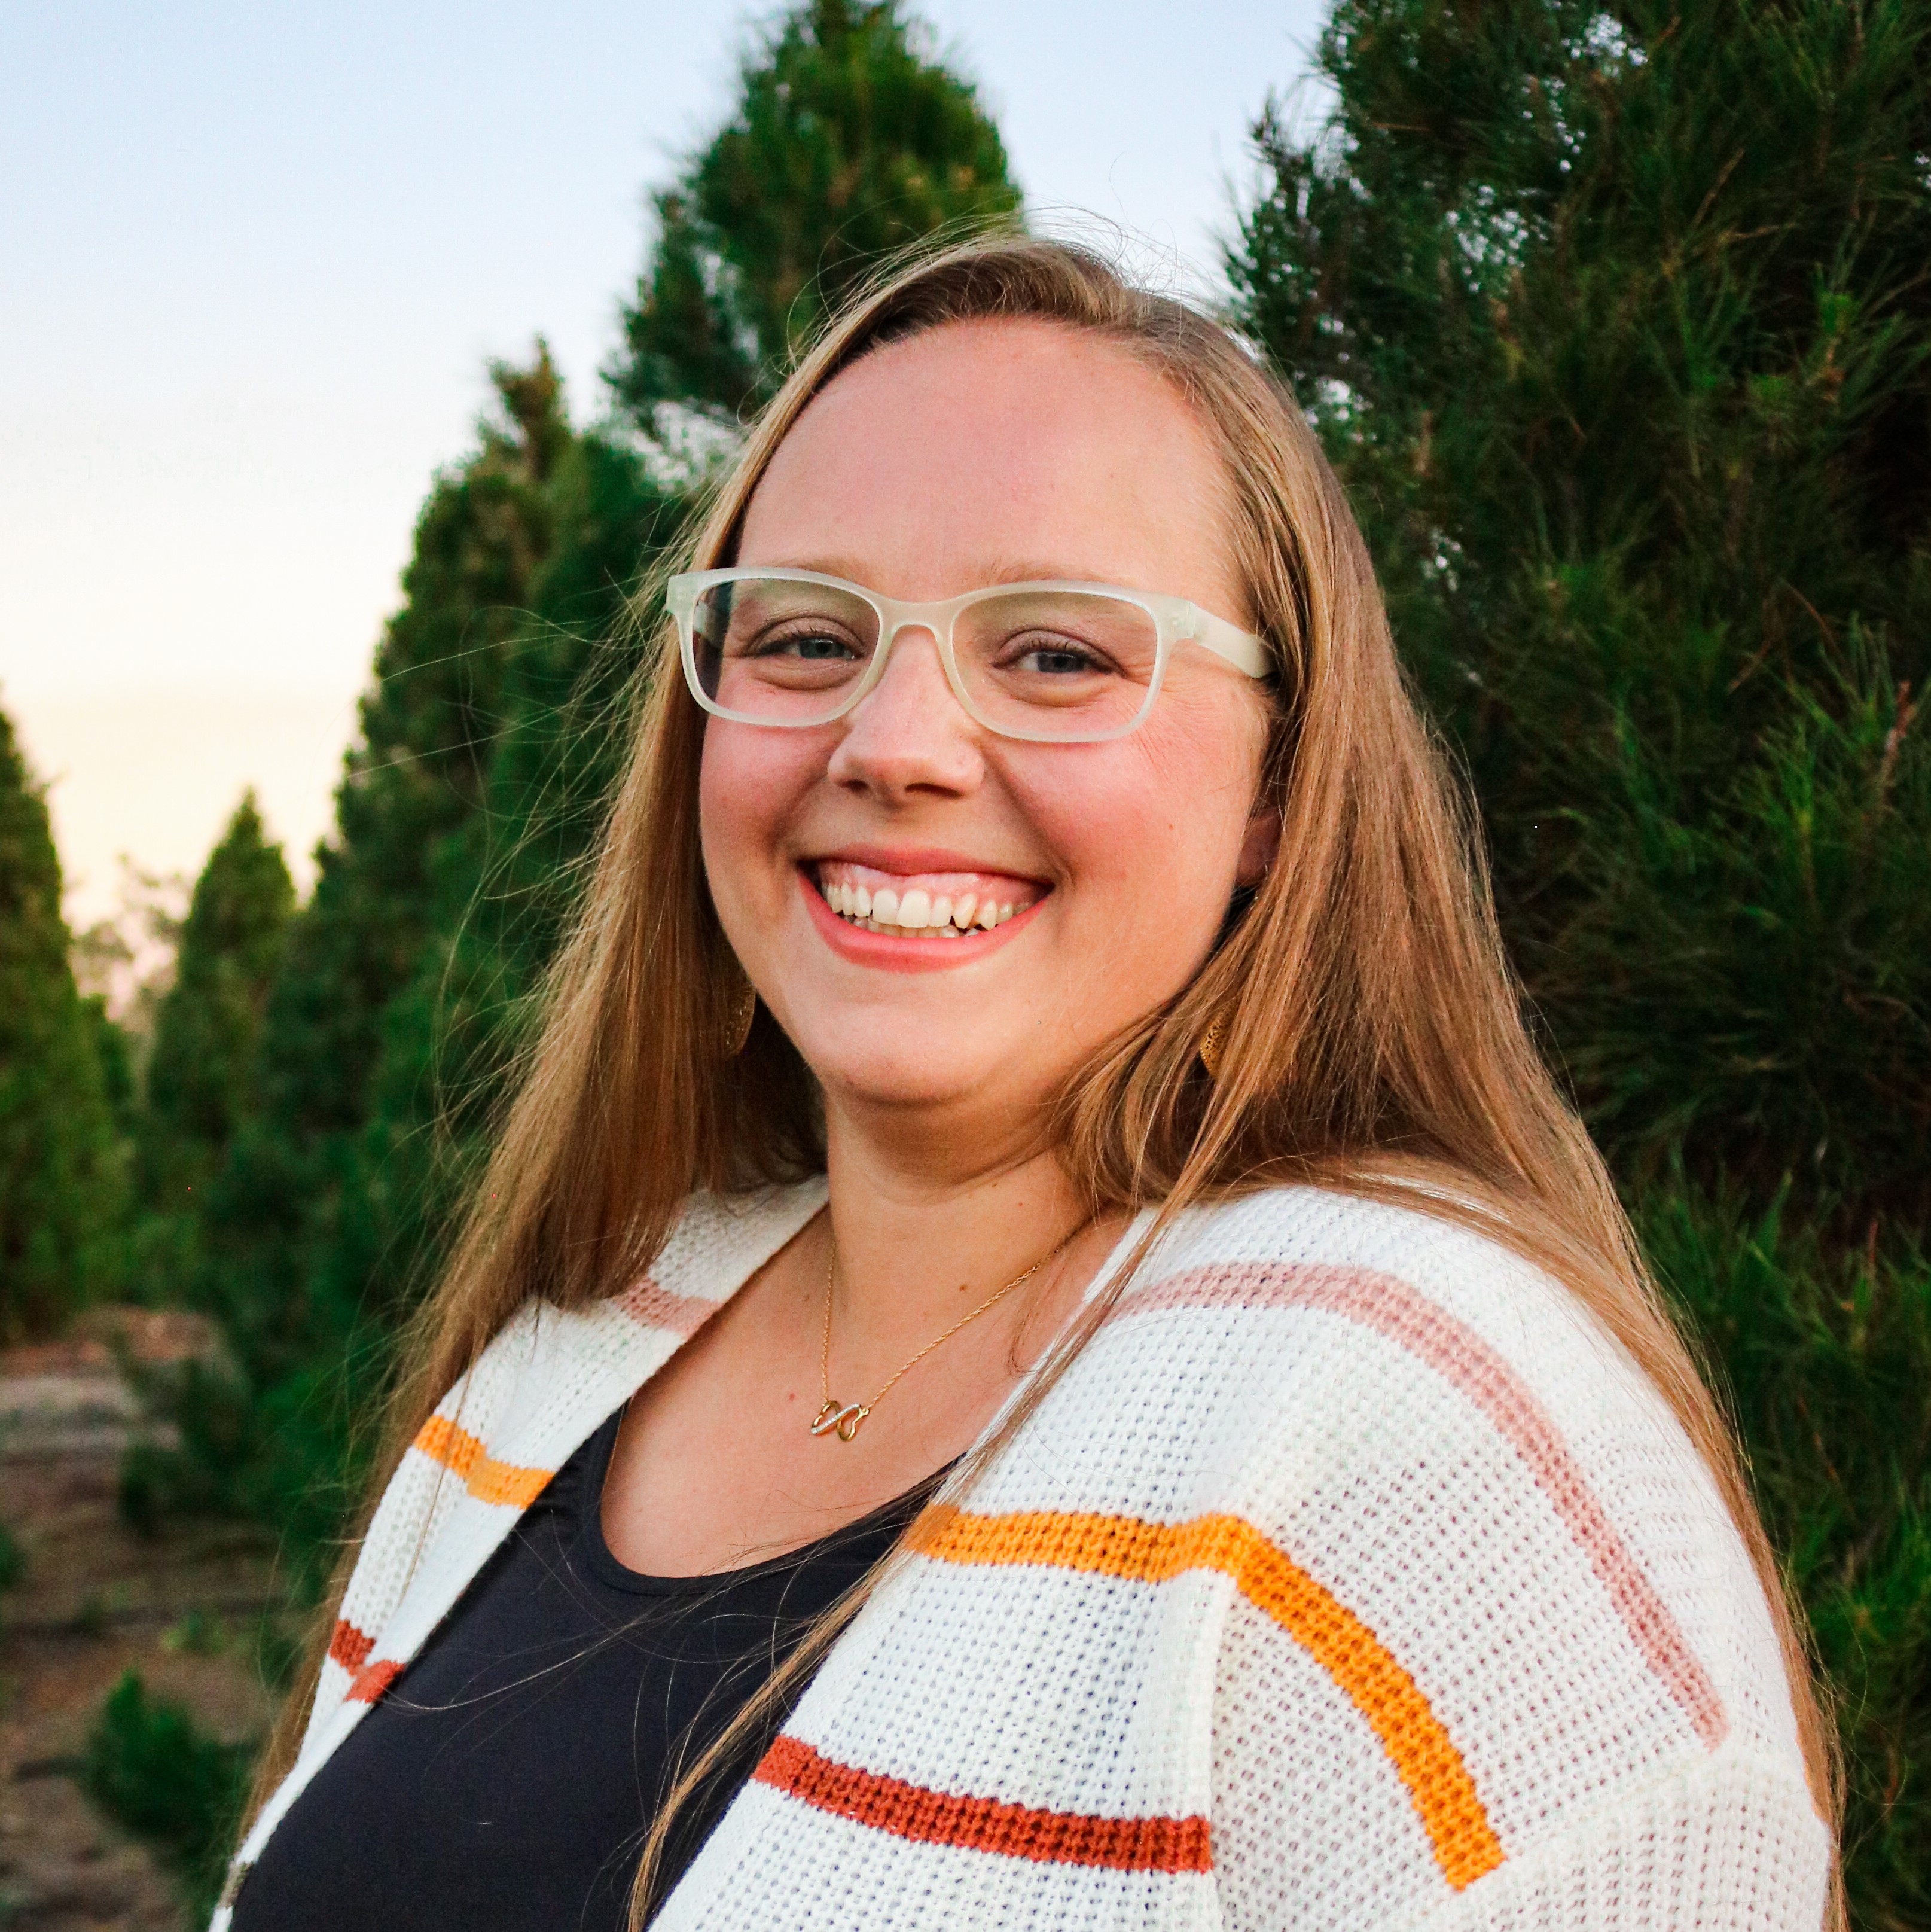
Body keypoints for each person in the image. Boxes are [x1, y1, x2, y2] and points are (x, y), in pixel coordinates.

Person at [218, 236, 1835, 1932]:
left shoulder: (1438, 1451)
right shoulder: (580, 1343)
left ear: (1282, 781)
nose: (894, 741)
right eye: (803, 637)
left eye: (1056, 654)